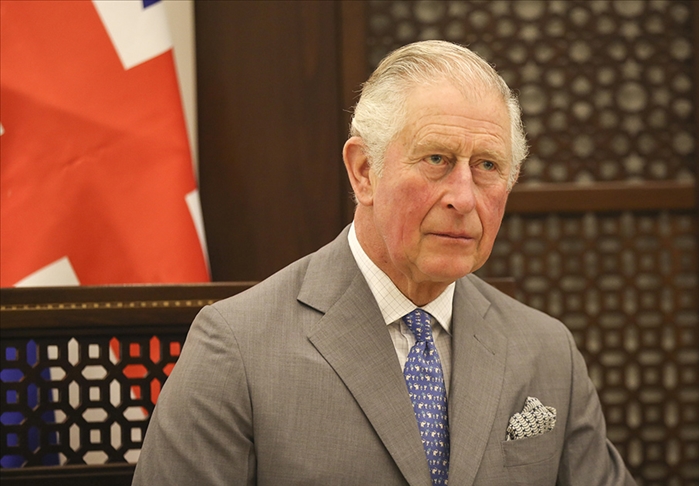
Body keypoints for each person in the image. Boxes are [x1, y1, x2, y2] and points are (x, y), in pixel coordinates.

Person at [133, 40, 635, 486]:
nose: (463, 197)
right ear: (364, 171)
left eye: (487, 165)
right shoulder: (236, 348)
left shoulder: (547, 351)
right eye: (436, 159)